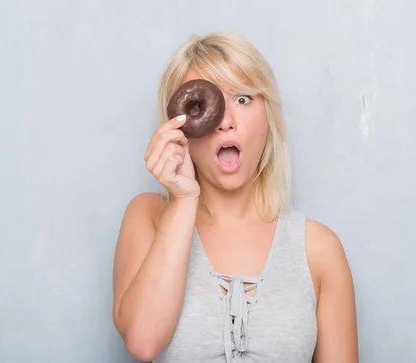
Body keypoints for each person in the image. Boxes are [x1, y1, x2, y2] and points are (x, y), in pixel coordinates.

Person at [112, 31, 358, 363]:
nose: (225, 122)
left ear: (268, 117)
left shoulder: (319, 249)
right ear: (178, 127)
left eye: (242, 99)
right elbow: (142, 343)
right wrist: (184, 198)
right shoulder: (149, 217)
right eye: (203, 105)